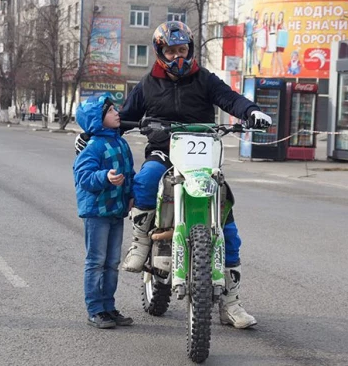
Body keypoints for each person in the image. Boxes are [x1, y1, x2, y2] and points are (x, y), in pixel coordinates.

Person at [102, 21, 270, 329]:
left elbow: (230, 98)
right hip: (164, 150)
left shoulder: (204, 79)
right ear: (160, 53)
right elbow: (124, 117)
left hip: (204, 156)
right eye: (171, 51)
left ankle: (231, 303)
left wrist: (251, 111)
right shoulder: (148, 84)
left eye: (182, 50)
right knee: (146, 180)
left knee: (227, 224)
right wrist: (97, 133)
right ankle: (141, 242)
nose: (178, 57)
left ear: (190, 50)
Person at [73, 94, 136, 329]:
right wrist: (105, 177)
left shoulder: (120, 143)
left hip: (115, 211)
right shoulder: (93, 147)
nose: (117, 113)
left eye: (115, 109)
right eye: (110, 111)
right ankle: (95, 309)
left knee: (112, 262)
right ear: (97, 120)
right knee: (96, 261)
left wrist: (131, 195)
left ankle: (109, 307)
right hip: (97, 213)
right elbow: (83, 177)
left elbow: (129, 172)